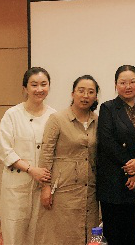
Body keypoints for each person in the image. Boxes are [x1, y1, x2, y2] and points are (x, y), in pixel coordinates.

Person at [34, 75, 100, 244]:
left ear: (95, 97)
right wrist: (45, 187)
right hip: (63, 189)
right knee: (61, 234)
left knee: (90, 234)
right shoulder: (57, 119)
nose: (85, 96)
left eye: (90, 92)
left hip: (89, 189)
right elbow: (46, 154)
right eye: (81, 91)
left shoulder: (97, 121)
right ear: (72, 93)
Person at [0, 67, 57, 245]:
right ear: (25, 88)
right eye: (34, 85)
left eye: (43, 84)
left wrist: (45, 182)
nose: (39, 89)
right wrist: (31, 169)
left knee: (40, 235)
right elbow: (5, 150)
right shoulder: (12, 115)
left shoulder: (54, 116)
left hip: (43, 185)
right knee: (14, 233)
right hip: (17, 184)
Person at [97, 65, 135, 245]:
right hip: (114, 179)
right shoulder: (108, 108)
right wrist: (131, 169)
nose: (128, 86)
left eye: (132, 82)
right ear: (115, 84)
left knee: (131, 231)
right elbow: (107, 142)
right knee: (114, 233)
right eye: (123, 82)